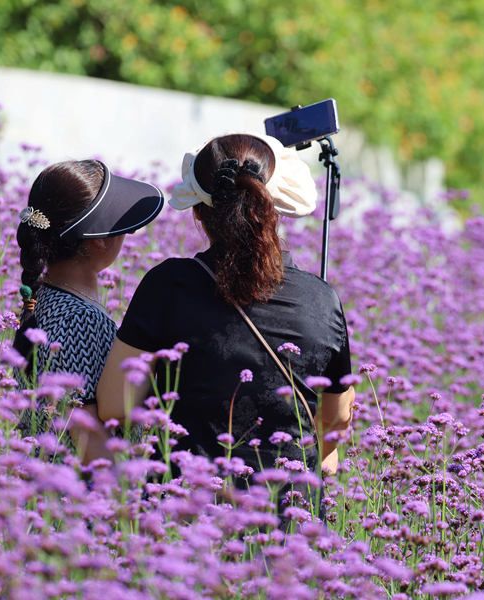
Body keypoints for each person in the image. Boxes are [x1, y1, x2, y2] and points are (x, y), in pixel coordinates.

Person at [96, 133, 355, 505]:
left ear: (198, 212)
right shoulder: (322, 299)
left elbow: (115, 406)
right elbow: (335, 418)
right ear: (273, 207)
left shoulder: (168, 285)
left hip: (185, 513)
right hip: (288, 530)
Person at [13, 159, 164, 463]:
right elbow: (85, 430)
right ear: (100, 242)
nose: (127, 234)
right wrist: (127, 499)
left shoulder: (43, 299)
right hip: (81, 496)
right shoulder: (80, 319)